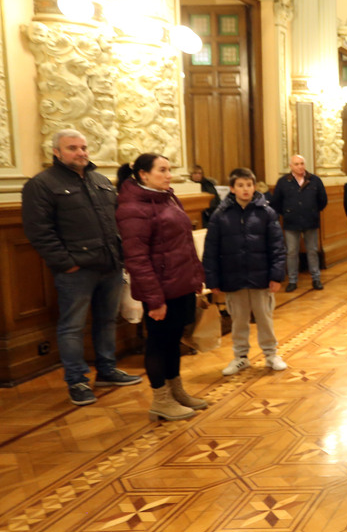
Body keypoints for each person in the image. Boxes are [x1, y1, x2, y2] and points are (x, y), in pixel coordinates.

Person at [21, 129, 142, 405]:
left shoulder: (100, 180)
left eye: (84, 148)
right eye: (73, 148)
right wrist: (67, 264)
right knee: (72, 327)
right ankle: (77, 381)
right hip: (76, 271)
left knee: (107, 320)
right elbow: (39, 232)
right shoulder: (41, 184)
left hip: (109, 265)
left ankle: (107, 370)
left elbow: (115, 220)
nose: (81, 153)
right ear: (56, 152)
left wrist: (121, 256)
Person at [116, 153, 207, 422]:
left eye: (169, 169)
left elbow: (185, 244)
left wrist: (195, 276)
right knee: (158, 342)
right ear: (143, 174)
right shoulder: (133, 207)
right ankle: (161, 399)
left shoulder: (167, 196)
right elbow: (137, 259)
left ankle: (176, 391)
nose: (169, 175)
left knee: (173, 340)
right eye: (162, 170)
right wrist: (155, 300)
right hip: (159, 290)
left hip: (179, 284)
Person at [203, 168, 287, 375]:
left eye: (249, 185)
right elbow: (211, 249)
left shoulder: (266, 212)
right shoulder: (220, 215)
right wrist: (212, 279)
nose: (245, 189)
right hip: (233, 277)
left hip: (261, 277)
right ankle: (240, 357)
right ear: (232, 188)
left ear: (254, 186)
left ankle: (270, 354)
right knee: (238, 320)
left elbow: (277, 246)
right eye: (240, 185)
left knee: (265, 318)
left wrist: (276, 275)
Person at [271, 155, 328, 292]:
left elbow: (323, 200)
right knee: (291, 252)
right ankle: (292, 280)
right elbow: (276, 203)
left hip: (311, 221)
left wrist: (312, 210)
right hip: (291, 222)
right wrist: (288, 212)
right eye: (296, 164)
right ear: (291, 166)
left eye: (302, 163)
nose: (300, 166)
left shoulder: (314, 180)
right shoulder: (283, 182)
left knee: (312, 251)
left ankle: (316, 279)